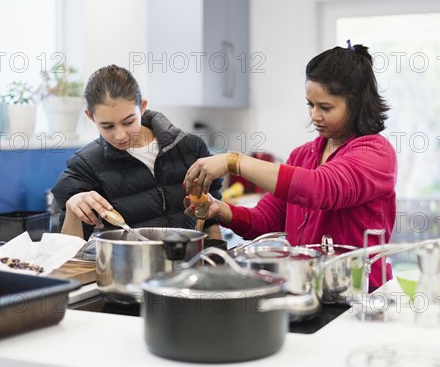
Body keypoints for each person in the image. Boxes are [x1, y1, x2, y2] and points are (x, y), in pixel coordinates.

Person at [184, 42, 397, 289]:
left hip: (362, 294)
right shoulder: (303, 156)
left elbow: (320, 188)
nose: (314, 115)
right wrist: (220, 210)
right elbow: (265, 219)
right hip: (310, 288)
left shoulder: (375, 153)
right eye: (310, 104)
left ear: (357, 104)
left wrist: (234, 162)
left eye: (325, 107)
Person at [52, 64, 222, 239]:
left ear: (142, 106)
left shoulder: (190, 147)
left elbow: (211, 216)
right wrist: (72, 207)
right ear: (90, 116)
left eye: (128, 122)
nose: (119, 136)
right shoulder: (85, 166)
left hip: (191, 263)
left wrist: (217, 261)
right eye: (107, 126)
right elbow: (69, 248)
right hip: (129, 264)